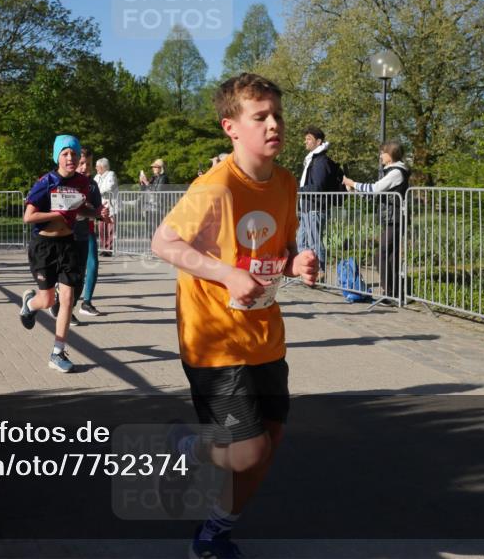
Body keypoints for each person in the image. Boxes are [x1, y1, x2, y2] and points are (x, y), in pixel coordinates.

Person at [152, 73, 318, 559]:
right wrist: (225, 274)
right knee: (248, 451)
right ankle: (187, 444)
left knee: (271, 437)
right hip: (214, 337)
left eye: (277, 116)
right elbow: (163, 242)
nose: (273, 125)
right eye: (260, 117)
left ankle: (214, 532)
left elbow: (279, 251)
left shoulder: (286, 182)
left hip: (265, 334)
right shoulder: (215, 185)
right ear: (231, 127)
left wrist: (299, 263)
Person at [19, 134, 101, 373]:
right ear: (57, 157)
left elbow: (81, 207)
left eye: (74, 154)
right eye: (65, 154)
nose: (70, 158)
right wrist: (58, 214)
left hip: (68, 243)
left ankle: (57, 352)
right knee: (48, 300)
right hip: (44, 246)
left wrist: (96, 213)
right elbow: (29, 217)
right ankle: (30, 304)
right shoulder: (46, 182)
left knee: (66, 299)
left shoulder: (82, 182)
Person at [342, 141, 410, 300]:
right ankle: (393, 293)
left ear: (390, 154)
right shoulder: (391, 172)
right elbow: (374, 194)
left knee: (381, 255)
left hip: (396, 218)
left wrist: (352, 183)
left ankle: (391, 293)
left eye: (382, 153)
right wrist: (354, 190)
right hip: (392, 218)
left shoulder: (396, 172)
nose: (380, 156)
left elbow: (375, 188)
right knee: (390, 256)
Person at [52, 147, 104, 320]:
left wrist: (102, 214)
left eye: (88, 164)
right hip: (67, 233)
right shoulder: (66, 181)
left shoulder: (92, 184)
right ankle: (64, 307)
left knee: (90, 268)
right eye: (82, 163)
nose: (84, 167)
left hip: (86, 233)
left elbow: (98, 209)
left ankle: (84, 303)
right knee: (69, 272)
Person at [296, 126, 339, 277]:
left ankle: (320, 271)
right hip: (307, 207)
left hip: (316, 207)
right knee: (302, 241)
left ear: (318, 141)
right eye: (305, 139)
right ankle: (306, 271)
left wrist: (298, 190)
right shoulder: (312, 160)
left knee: (314, 242)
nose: (305, 142)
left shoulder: (321, 161)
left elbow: (318, 186)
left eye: (309, 139)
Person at [93, 158, 118, 256]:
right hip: (101, 204)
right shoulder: (97, 176)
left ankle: (109, 249)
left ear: (103, 167)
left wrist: (98, 191)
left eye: (97, 166)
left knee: (110, 228)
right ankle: (103, 248)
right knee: (102, 227)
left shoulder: (111, 174)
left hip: (110, 204)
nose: (96, 168)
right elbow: (93, 186)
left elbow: (110, 187)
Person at [139, 158, 168, 240]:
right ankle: (153, 246)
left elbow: (158, 191)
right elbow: (144, 190)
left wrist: (147, 182)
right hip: (149, 206)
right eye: (153, 167)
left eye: (156, 167)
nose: (153, 168)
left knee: (156, 228)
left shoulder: (163, 178)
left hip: (158, 206)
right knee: (149, 228)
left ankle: (158, 247)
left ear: (161, 168)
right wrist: (142, 182)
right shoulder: (154, 177)